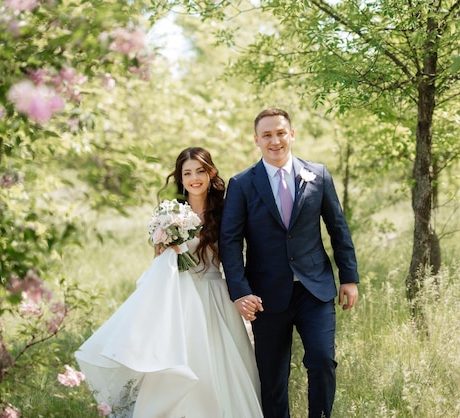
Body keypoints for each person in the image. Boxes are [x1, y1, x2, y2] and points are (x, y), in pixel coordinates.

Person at [75, 147, 263, 418]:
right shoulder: (170, 212)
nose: (194, 178)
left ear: (210, 173)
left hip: (214, 293)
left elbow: (234, 255)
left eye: (200, 171)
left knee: (222, 367)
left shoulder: (225, 210)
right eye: (187, 173)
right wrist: (167, 245)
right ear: (180, 178)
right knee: (178, 362)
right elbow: (158, 261)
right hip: (179, 297)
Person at [219, 108, 360, 418]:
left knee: (322, 360)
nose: (275, 140)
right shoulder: (242, 184)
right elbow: (230, 241)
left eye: (280, 133)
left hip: (315, 289)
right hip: (265, 295)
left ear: (291, 134)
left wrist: (349, 277)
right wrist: (240, 291)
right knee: (272, 378)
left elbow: (338, 228)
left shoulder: (318, 175)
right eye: (267, 135)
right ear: (256, 140)